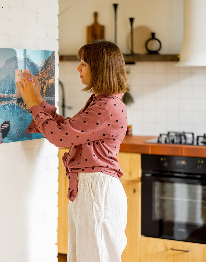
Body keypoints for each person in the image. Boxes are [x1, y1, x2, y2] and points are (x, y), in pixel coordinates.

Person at [17, 40, 129, 262]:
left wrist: (32, 104)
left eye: (84, 63)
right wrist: (38, 100)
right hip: (92, 189)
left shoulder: (106, 107)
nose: (78, 68)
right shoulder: (102, 102)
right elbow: (68, 129)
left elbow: (60, 137)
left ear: (100, 68)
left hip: (97, 191)